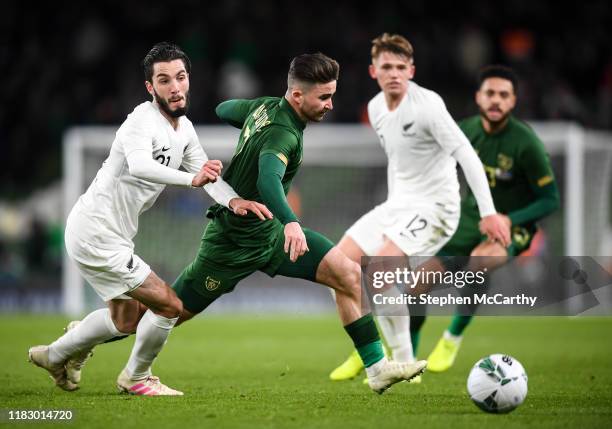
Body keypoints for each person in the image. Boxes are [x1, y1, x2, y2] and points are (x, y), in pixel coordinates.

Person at [169, 52, 427, 395]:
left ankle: (377, 369)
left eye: (331, 95)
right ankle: (93, 335)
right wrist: (291, 222)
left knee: (348, 274)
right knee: (169, 311)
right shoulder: (283, 134)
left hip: (269, 235)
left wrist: (252, 121)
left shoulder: (264, 107)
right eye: (324, 97)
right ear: (296, 96)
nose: (330, 105)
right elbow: (267, 181)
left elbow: (223, 109)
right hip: (234, 242)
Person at [28, 42, 271, 396]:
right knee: (169, 304)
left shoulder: (184, 129)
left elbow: (205, 173)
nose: (175, 87)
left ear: (189, 80)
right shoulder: (139, 122)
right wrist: (192, 179)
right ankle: (137, 377)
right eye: (164, 80)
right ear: (150, 87)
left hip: (107, 234)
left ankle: (56, 354)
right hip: (96, 231)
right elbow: (143, 165)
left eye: (181, 77)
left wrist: (234, 200)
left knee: (125, 319)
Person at [328, 34, 511, 383]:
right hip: (399, 205)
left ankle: (403, 365)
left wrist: (488, 212)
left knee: (378, 271)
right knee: (336, 266)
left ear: (411, 70)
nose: (394, 73)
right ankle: (377, 359)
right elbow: (399, 162)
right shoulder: (375, 108)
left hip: (437, 207)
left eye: (401, 67)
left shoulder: (428, 105)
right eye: (386, 67)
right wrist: (393, 211)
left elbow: (467, 156)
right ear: (373, 71)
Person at [411, 65, 560, 372]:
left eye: (503, 95)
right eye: (490, 93)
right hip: (469, 218)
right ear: (478, 96)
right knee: (416, 286)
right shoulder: (464, 131)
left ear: (513, 101)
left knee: (480, 262)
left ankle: (452, 338)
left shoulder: (525, 143)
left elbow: (550, 199)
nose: (496, 100)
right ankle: (408, 361)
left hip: (513, 225)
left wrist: (510, 219)